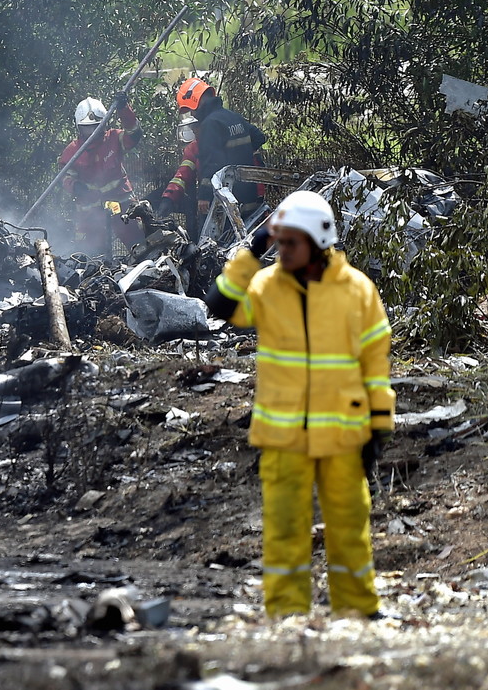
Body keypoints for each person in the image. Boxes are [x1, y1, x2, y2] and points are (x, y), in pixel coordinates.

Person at [204, 191, 395, 619]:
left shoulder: (357, 291)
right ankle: (288, 616)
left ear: (318, 241)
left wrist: (379, 428)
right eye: (279, 241)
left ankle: (358, 610)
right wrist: (254, 247)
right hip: (283, 437)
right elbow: (219, 304)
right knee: (285, 530)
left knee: (349, 528)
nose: (282, 250)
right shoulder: (267, 287)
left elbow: (375, 364)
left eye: (291, 242)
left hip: (344, 434)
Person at [58, 92, 146, 257]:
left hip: (120, 203)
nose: (92, 131)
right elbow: (65, 176)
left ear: (104, 123)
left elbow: (134, 134)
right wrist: (76, 187)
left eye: (96, 126)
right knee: (91, 255)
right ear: (78, 127)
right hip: (91, 210)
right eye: (87, 127)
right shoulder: (73, 151)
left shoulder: (114, 138)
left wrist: (123, 109)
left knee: (139, 246)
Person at [176, 77, 267, 222]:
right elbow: (259, 137)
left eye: (191, 110)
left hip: (226, 203)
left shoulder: (210, 124)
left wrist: (204, 196)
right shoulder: (232, 116)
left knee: (213, 242)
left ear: (195, 101)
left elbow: (211, 163)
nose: (192, 114)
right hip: (249, 196)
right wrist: (240, 154)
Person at [152, 114, 199, 218]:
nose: (194, 131)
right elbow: (182, 176)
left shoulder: (197, 146)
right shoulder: (193, 148)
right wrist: (168, 198)